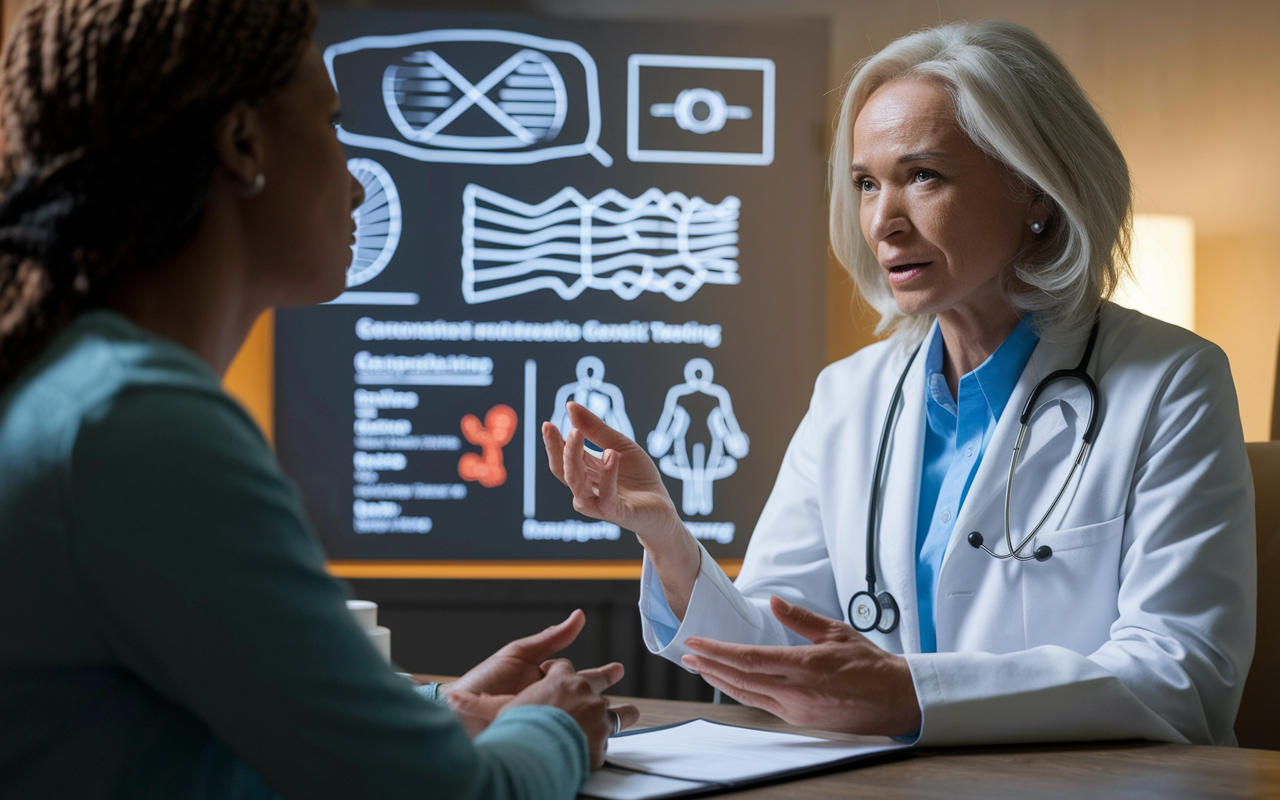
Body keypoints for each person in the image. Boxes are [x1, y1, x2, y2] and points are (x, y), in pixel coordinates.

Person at [545, 19, 1256, 747]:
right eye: (865, 183)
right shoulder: (849, 395)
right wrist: (666, 538)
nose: (882, 222)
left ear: (1036, 190)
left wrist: (914, 695)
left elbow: (1183, 675)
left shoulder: (1171, 381)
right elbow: (778, 650)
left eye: (923, 176)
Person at [0, 1, 637, 797]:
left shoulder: (80, 392)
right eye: (333, 124)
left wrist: (436, 713)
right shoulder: (136, 425)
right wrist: (556, 726)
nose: (359, 187)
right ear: (242, 142)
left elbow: (176, 733)